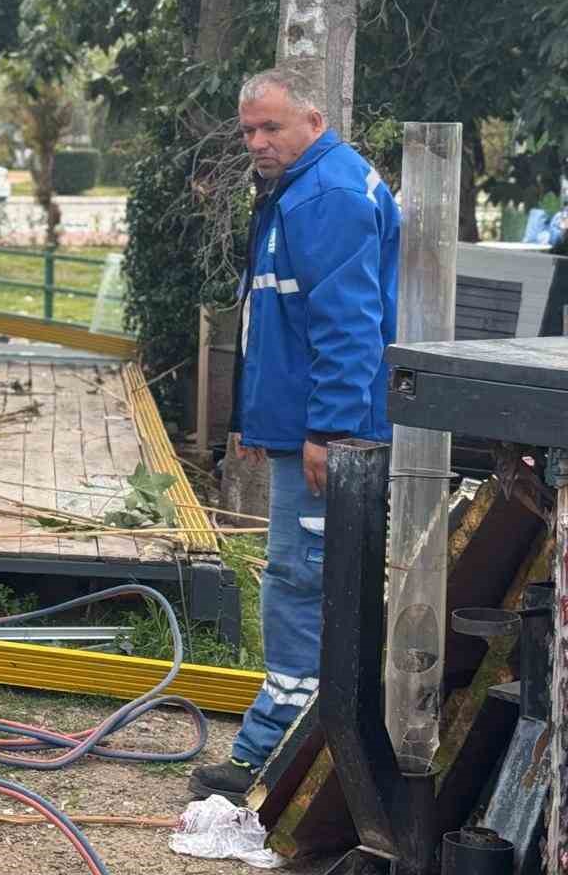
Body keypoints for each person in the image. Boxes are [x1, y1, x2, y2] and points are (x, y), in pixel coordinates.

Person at [188, 66, 400, 804]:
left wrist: (327, 430)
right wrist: (258, 419)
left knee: (298, 585)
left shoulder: (325, 195)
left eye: (271, 127)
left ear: (314, 120)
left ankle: (270, 751)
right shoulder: (299, 189)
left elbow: (348, 327)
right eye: (248, 130)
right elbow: (278, 321)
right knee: (304, 581)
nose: (256, 142)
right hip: (304, 427)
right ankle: (289, 744)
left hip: (332, 435)